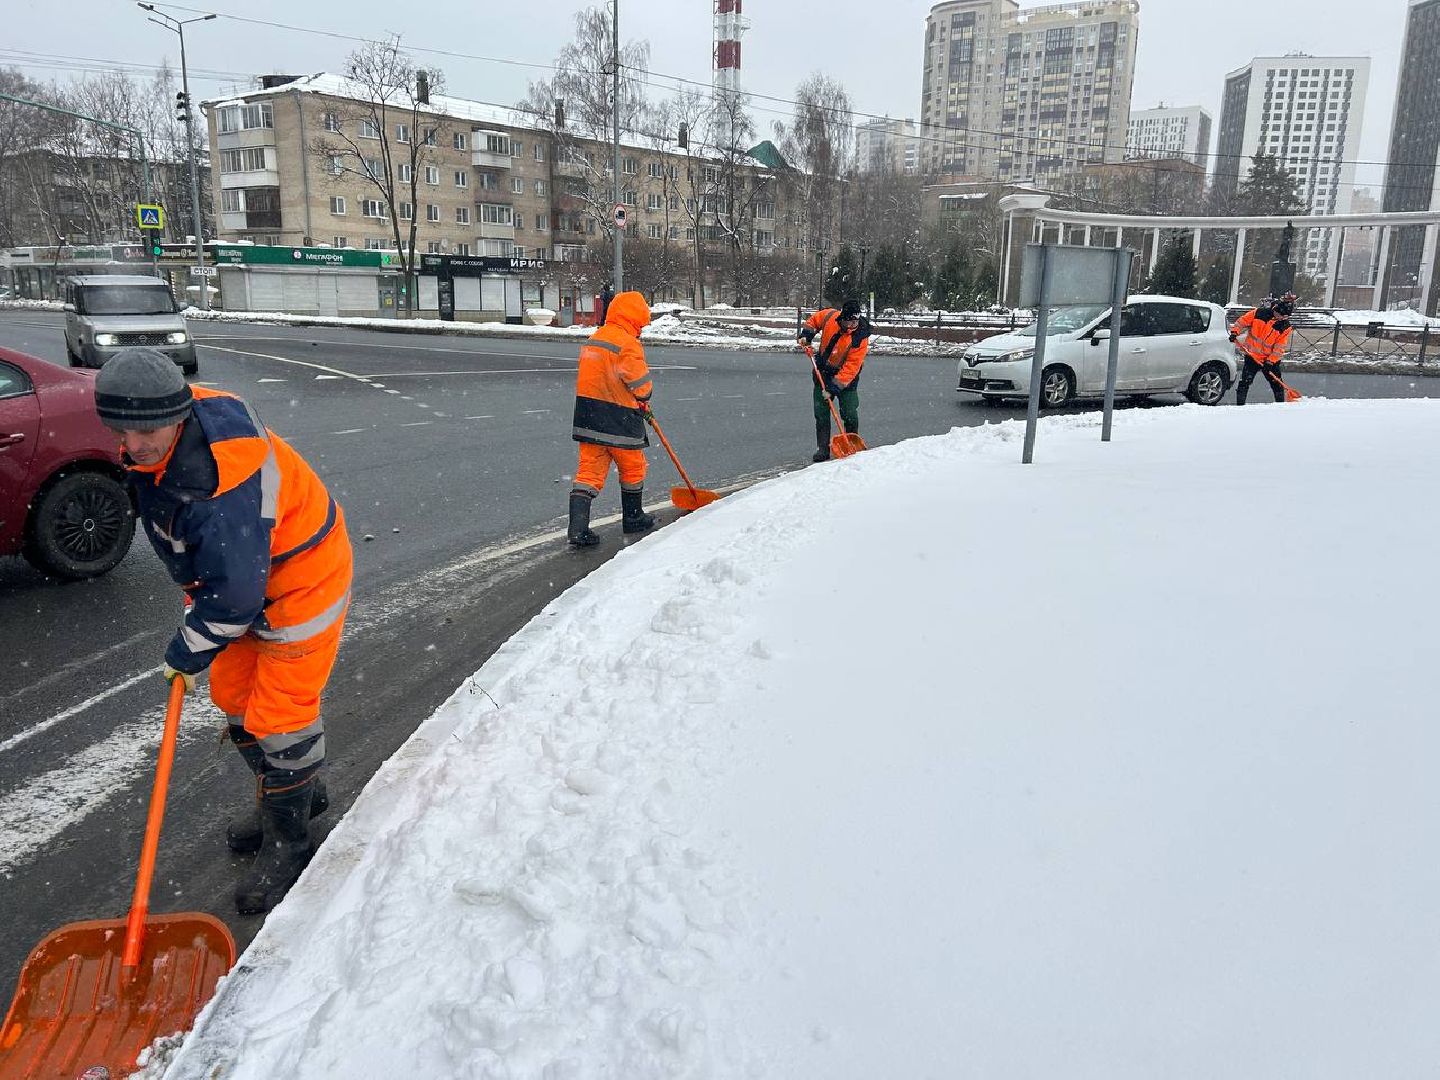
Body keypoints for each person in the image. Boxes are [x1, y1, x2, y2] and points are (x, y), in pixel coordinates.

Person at [93, 349, 352, 915]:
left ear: (179, 416)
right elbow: (226, 583)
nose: (134, 445)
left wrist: (188, 647)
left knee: (280, 718)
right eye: (121, 431)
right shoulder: (170, 437)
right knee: (234, 697)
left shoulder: (218, 487)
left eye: (148, 431)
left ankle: (290, 842)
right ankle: (295, 793)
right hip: (239, 580)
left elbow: (235, 597)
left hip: (300, 581)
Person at [568, 289, 656, 546]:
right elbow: (642, 387)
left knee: (589, 471)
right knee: (633, 467)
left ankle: (578, 529)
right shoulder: (627, 343)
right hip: (620, 419)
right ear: (636, 317)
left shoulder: (596, 338)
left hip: (588, 417)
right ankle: (633, 517)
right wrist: (644, 394)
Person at [797, 298, 871, 461]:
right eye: (848, 322)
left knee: (849, 412)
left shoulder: (860, 337)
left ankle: (852, 442)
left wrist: (833, 388)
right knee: (821, 412)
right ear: (842, 318)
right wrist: (806, 335)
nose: (852, 326)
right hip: (822, 372)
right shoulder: (830, 316)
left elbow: (852, 366)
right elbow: (814, 321)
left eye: (855, 322)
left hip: (847, 380)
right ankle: (823, 449)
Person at [1231, 292, 1296, 405]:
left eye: (1284, 316)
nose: (1280, 318)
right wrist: (1234, 332)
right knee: (1245, 382)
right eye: (1279, 315)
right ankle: (1240, 406)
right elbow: (1242, 321)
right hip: (1252, 356)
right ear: (1275, 309)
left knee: (1277, 383)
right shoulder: (1259, 313)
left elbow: (1279, 347)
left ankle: (1280, 407)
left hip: (1269, 360)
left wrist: (1270, 361)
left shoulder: (1285, 327)